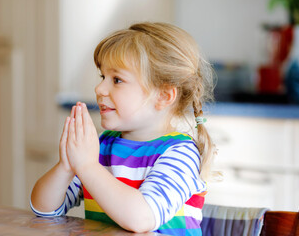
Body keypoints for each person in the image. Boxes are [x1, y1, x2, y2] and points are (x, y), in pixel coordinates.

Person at [30, 22, 218, 236]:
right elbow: (45, 210)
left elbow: (141, 219)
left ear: (163, 96)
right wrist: (66, 166)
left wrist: (88, 166)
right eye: (103, 77)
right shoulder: (103, 146)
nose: (99, 89)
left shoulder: (181, 154)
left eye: (117, 80)